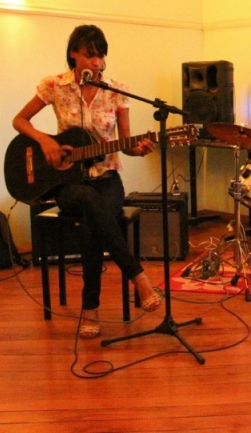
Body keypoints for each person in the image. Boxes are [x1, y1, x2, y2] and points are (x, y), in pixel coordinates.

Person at [12, 24, 163, 339]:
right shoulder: (54, 85)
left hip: (107, 179)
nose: (97, 61)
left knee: (96, 215)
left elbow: (126, 144)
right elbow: (20, 120)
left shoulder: (116, 90)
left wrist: (140, 147)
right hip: (67, 184)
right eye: (89, 54)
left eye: (101, 55)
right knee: (91, 205)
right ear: (74, 54)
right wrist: (45, 142)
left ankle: (90, 308)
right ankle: (137, 276)